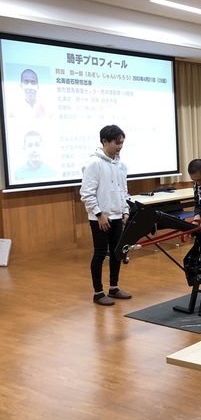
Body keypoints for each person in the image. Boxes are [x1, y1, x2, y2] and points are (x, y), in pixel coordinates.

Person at [79, 125, 132, 306]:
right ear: (104, 141)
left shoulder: (121, 165)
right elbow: (86, 193)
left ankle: (114, 288)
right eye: (117, 143)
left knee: (117, 253)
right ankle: (98, 292)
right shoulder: (94, 163)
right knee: (100, 254)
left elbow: (124, 191)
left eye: (122, 142)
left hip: (117, 216)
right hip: (100, 218)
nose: (120, 146)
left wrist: (125, 210)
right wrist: (99, 214)